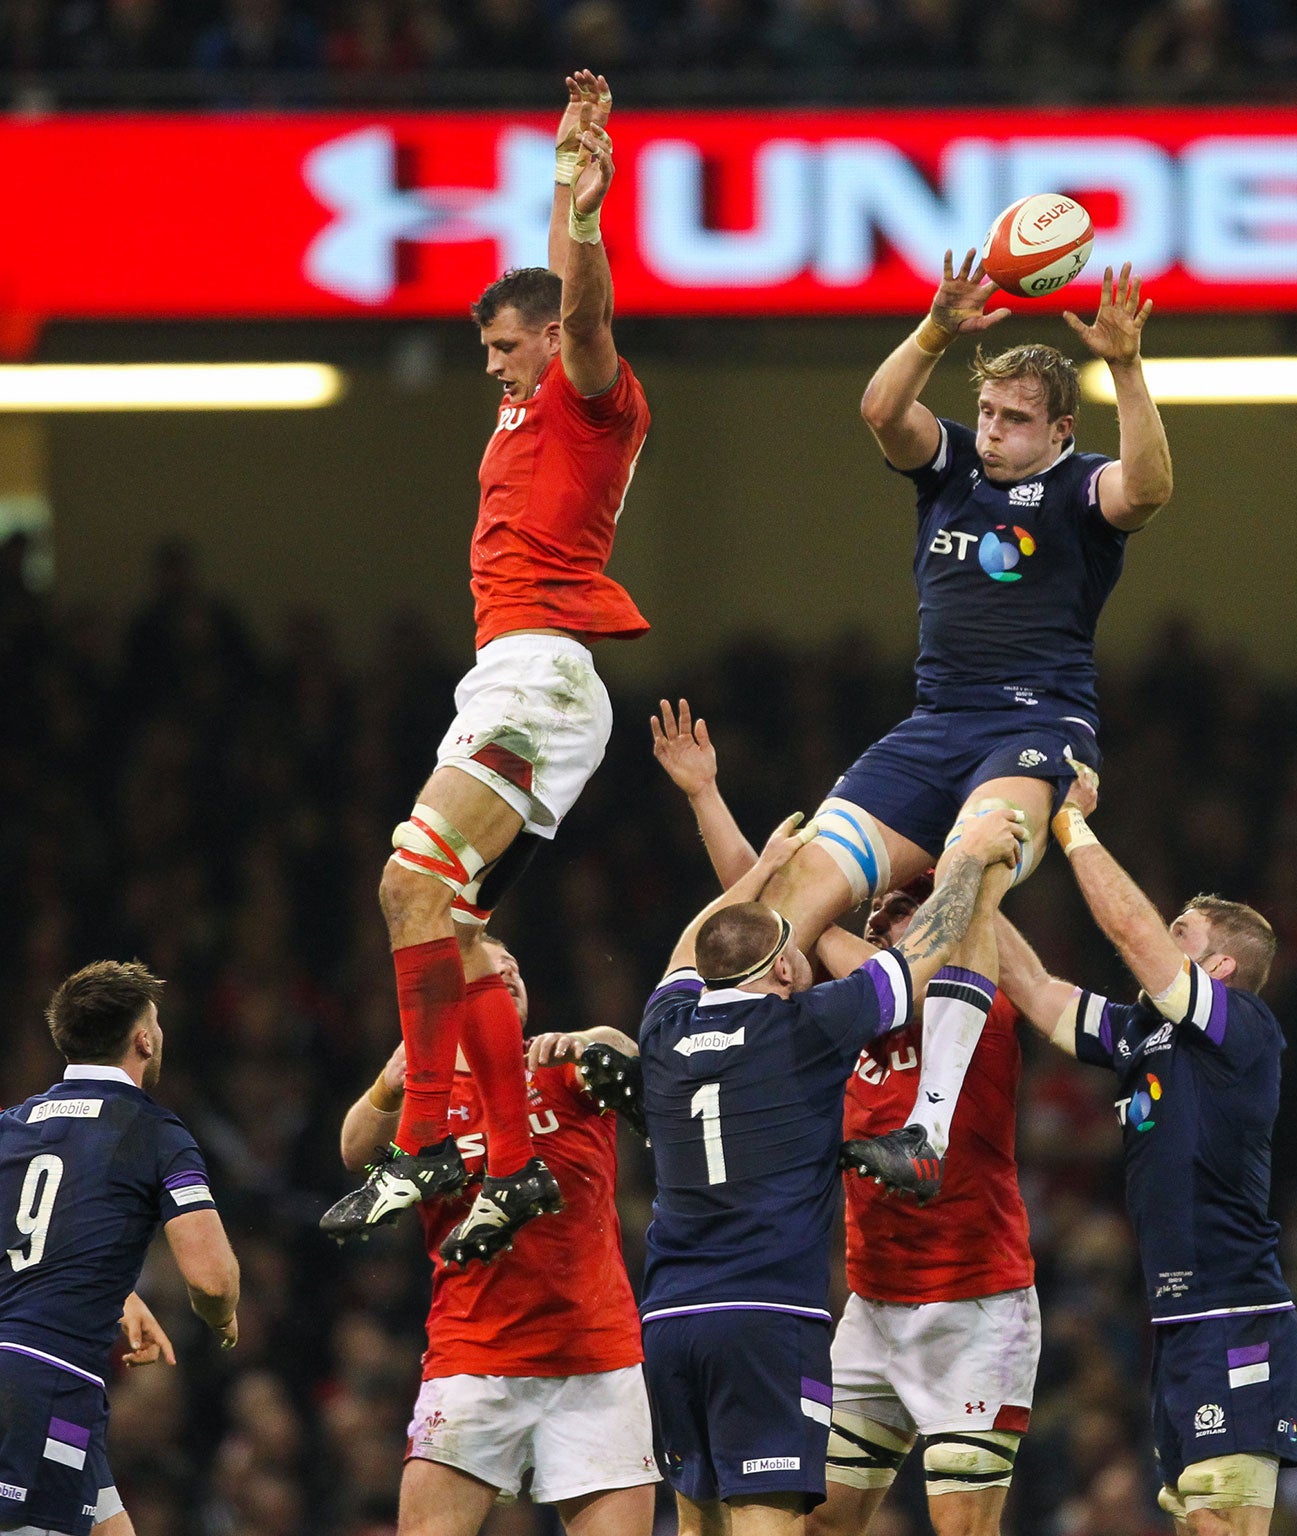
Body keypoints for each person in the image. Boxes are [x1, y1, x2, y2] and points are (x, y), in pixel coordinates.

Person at [323, 71, 652, 1266]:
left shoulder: (587, 396)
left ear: (554, 340)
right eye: (487, 347)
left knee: (405, 888)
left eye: (506, 345)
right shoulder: (522, 412)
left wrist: (583, 205)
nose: (491, 365)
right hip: (508, 678)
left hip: (543, 675)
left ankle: (424, 1138)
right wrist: (560, 167)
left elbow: (586, 309)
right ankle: (509, 1164)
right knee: (456, 934)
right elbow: (546, 302)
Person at [758, 256, 1175, 1198]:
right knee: (794, 891)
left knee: (974, 859)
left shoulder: (1081, 491)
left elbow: (1147, 491)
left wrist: (1131, 370)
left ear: (1062, 430)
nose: (991, 432)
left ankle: (927, 1130)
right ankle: (749, 1066)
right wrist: (936, 328)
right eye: (986, 413)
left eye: (1015, 419)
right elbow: (879, 412)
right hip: (933, 727)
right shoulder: (948, 467)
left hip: (1034, 729)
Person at [650, 699, 1039, 1536]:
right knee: (813, 1525)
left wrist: (969, 877)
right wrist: (712, 806)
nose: (876, 917)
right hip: (869, 1300)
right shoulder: (814, 1022)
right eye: (875, 914)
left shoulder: (978, 1004)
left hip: (974, 1300)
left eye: (899, 910)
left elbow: (753, 935)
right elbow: (765, 929)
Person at [994, 764, 1297, 1536]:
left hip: (1238, 1314)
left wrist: (1070, 824)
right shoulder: (1146, 1032)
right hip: (1177, 1324)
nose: (1161, 938)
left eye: (1182, 935)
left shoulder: (1241, 1026)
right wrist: (965, 879)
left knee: (1220, 1527)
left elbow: (1130, 927)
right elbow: (1033, 988)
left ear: (1219, 968)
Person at [337, 935, 658, 1536]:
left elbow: (624, 1051)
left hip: (595, 1359)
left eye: (514, 965)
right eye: (490, 968)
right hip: (474, 1358)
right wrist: (389, 1081)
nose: (507, 970)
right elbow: (355, 1150)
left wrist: (590, 1040)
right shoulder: (429, 1096)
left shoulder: (559, 1064)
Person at [0, 961, 240, 1536]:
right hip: (48, 1385)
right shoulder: (156, 1133)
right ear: (144, 1037)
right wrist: (224, 1316)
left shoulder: (12, 1126)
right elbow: (210, 1279)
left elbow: (43, 1235)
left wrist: (121, 1297)